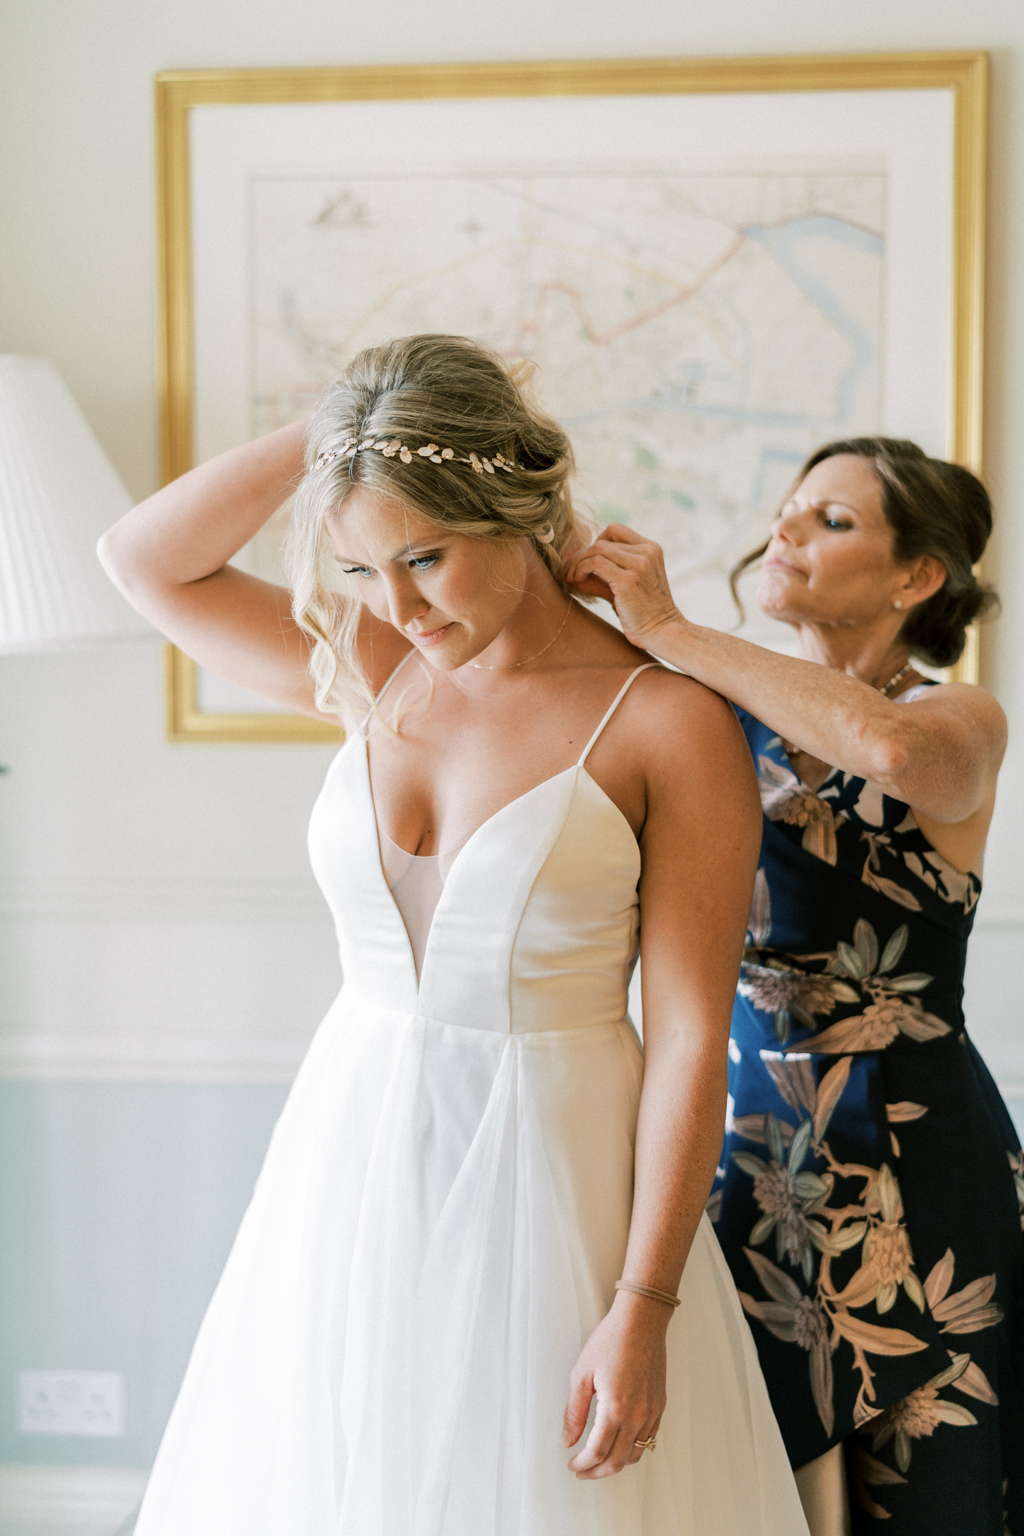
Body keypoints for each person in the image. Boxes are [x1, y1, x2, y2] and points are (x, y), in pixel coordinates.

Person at [97, 334, 809, 1535]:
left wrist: (642, 1305)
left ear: (520, 513)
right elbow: (143, 562)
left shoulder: (669, 723)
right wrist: (343, 424)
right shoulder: (372, 669)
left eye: (424, 558)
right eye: (364, 569)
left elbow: (690, 1035)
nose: (398, 604)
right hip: (348, 1158)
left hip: (559, 1179)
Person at [567, 438, 1024, 1536]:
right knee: (731, 1494)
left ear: (917, 575)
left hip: (924, 1168)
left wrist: (673, 630)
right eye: (785, 510)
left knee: (939, 1509)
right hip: (738, 1161)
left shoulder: (958, 718)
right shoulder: (698, 715)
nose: (785, 531)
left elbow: (898, 758)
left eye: (830, 519)